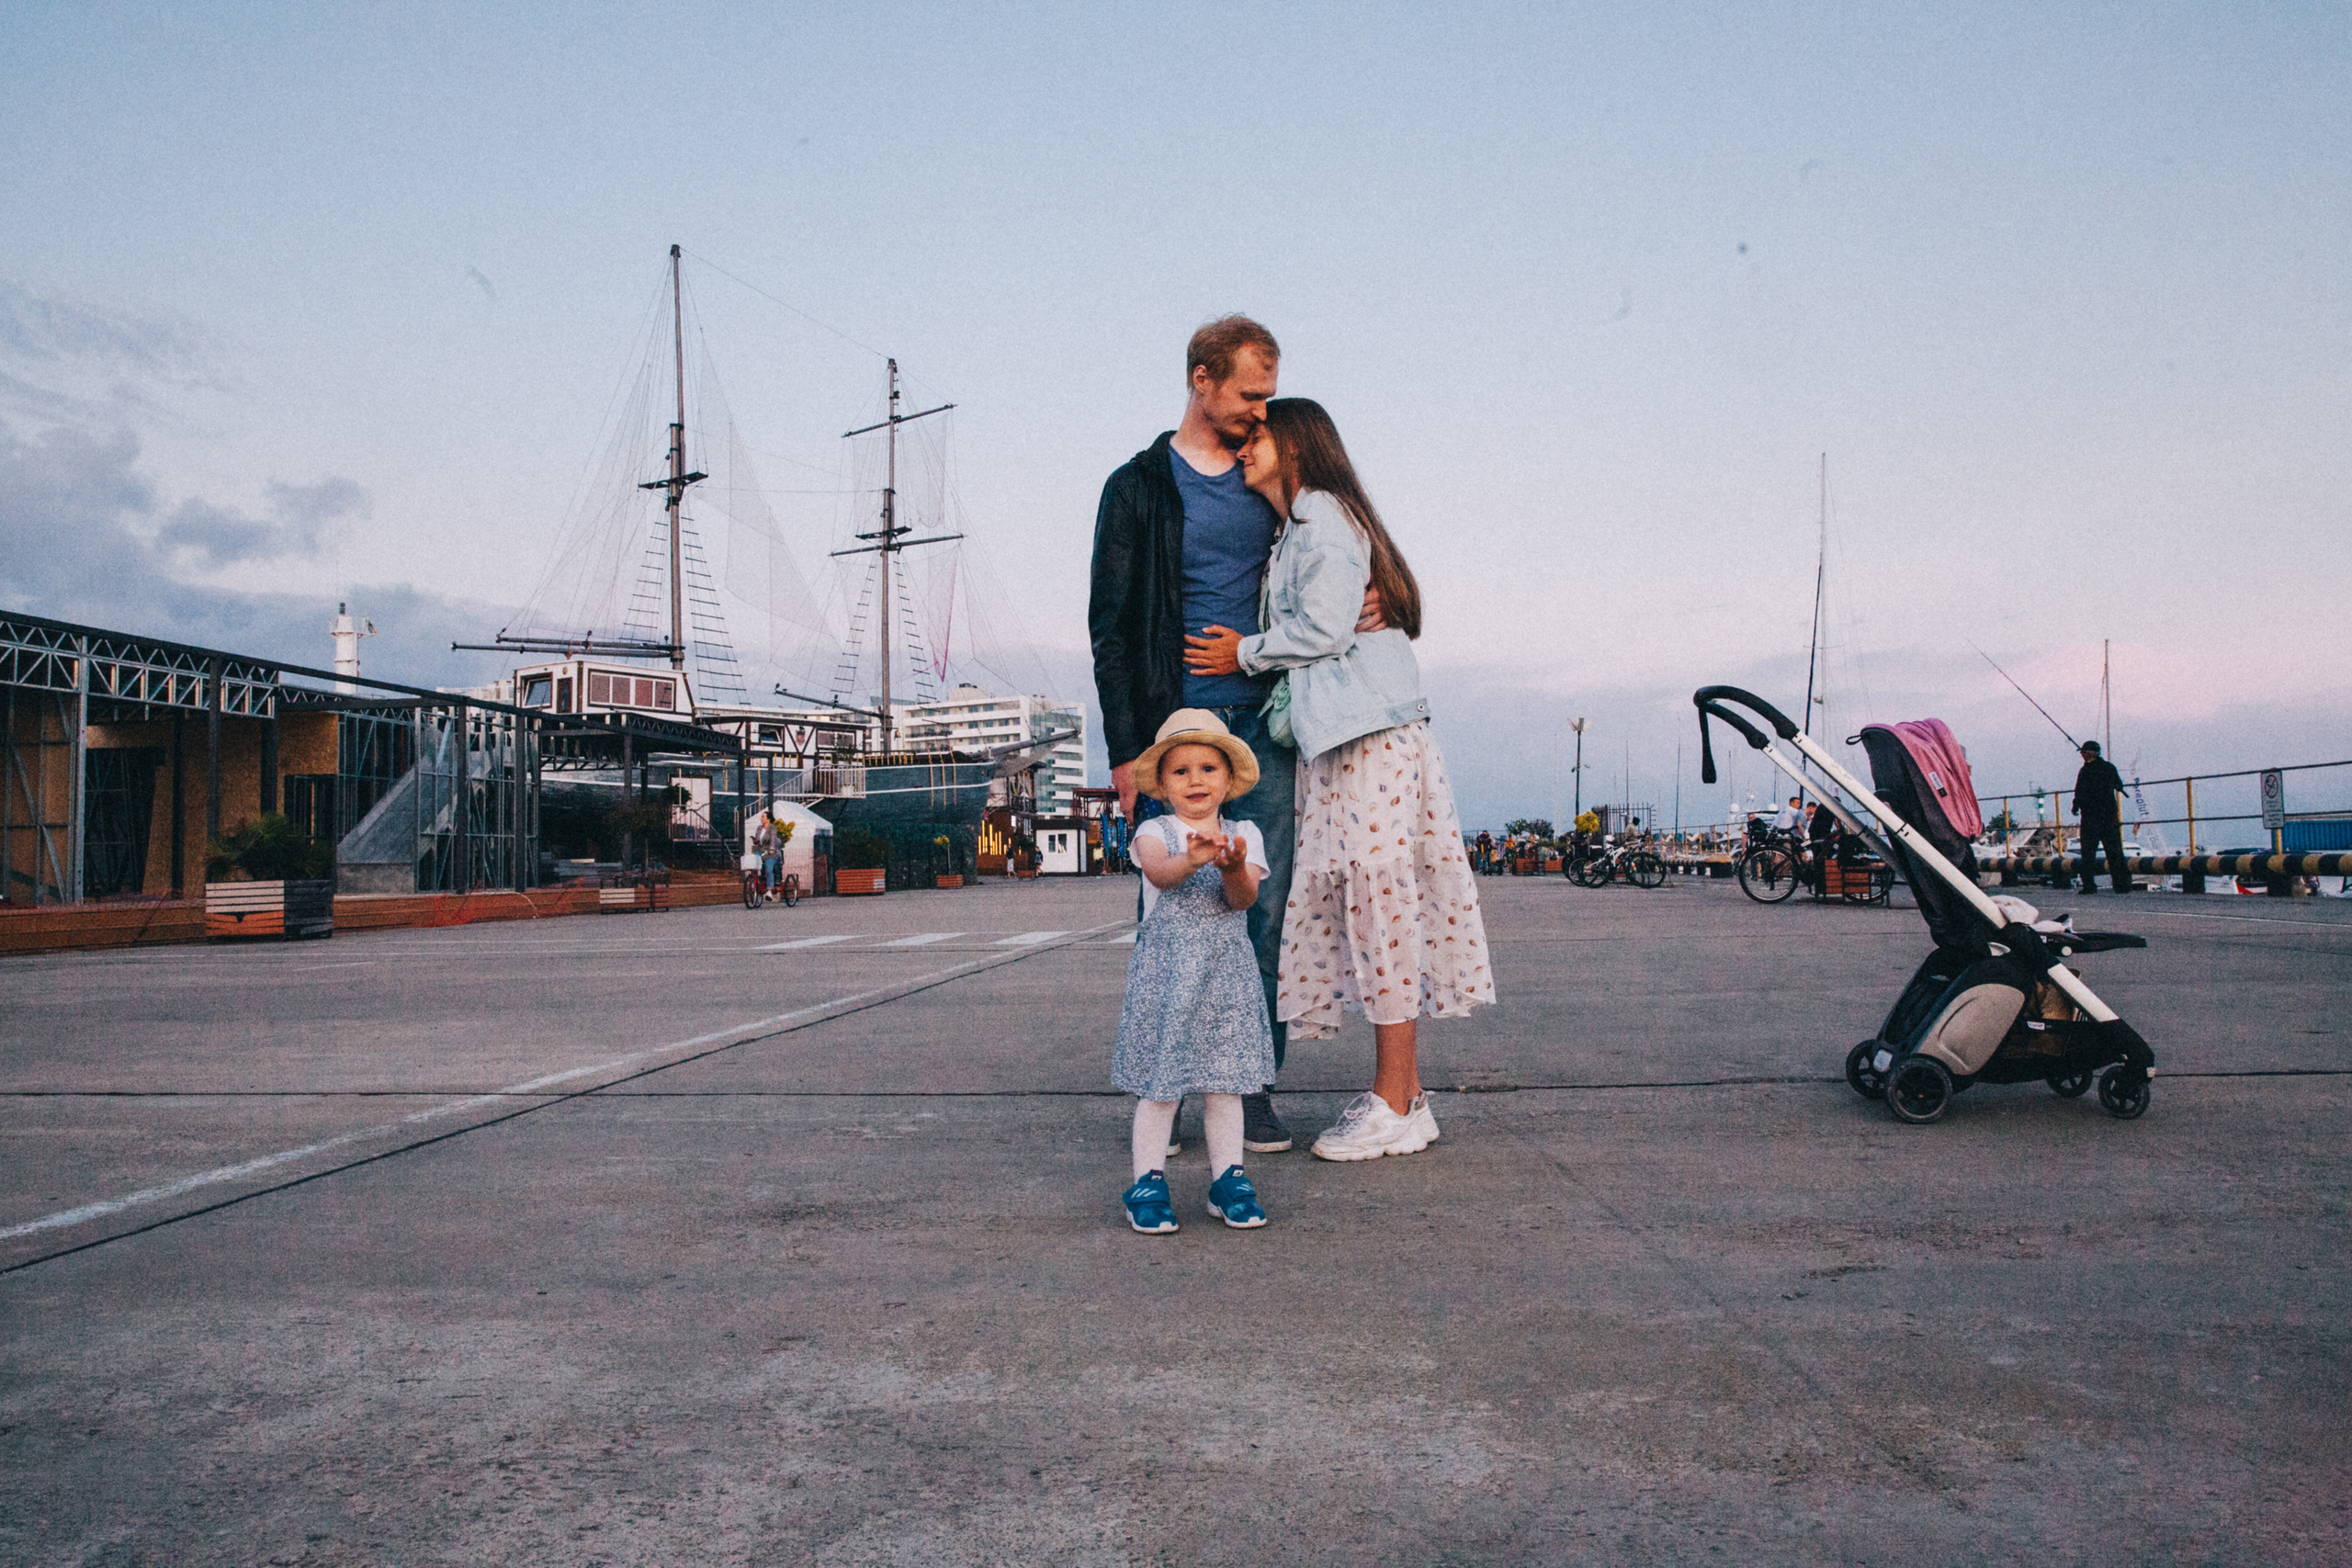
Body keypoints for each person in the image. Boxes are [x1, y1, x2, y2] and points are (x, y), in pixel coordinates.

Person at [1089, 316, 1387, 1156]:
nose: (1262, 410)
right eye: (1251, 394)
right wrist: (1125, 752)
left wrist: (1376, 600)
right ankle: (1165, 1091)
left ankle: (1251, 1086)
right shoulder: (1137, 487)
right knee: (1167, 915)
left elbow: (1345, 549)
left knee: (1264, 905)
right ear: (1201, 378)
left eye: (1269, 396)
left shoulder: (1274, 475)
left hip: (1269, 723)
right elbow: (1110, 627)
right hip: (1178, 727)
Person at [1186, 396, 1495, 1161]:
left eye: (1259, 437)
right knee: (1376, 905)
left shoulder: (1320, 514)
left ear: (1295, 446)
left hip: (1368, 738)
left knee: (1380, 904)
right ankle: (1405, 1097)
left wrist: (1242, 652)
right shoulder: (1304, 526)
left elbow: (1324, 629)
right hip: (1355, 734)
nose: (1245, 447)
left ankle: (1395, 1102)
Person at [1111, 710, 1278, 1235]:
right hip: (1168, 979)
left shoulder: (1243, 834)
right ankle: (1147, 1183)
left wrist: (1231, 867)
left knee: (1225, 1085)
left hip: (1226, 980)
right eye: (1180, 771)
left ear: (1228, 780)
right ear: (1162, 785)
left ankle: (1229, 1180)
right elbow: (1160, 873)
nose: (1195, 780)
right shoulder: (1154, 832)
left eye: (1208, 768)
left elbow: (1242, 899)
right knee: (1161, 1086)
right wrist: (1192, 859)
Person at [2073, 740, 2135, 893]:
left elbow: (2079, 791)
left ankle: (2089, 885)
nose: (2082, 755)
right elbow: (2119, 785)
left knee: (2088, 853)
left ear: (2090, 753)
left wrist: (2075, 806)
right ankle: (2121, 885)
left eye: (2083, 752)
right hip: (2109, 815)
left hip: (2090, 816)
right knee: (2114, 851)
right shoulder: (2109, 767)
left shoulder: (2086, 770)